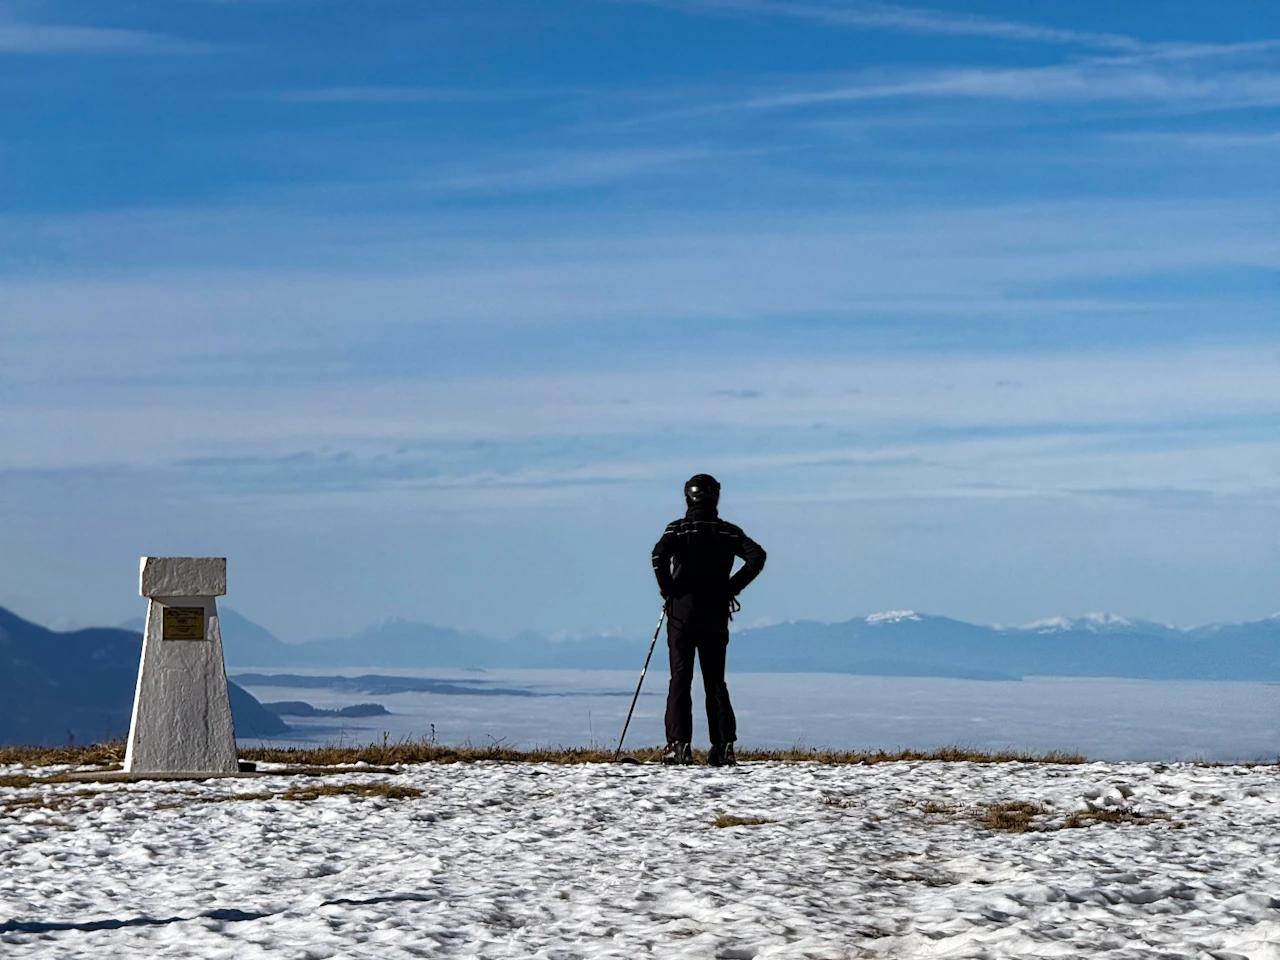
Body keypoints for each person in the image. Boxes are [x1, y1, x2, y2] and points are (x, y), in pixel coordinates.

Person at [650, 474, 766, 766]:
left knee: (680, 678)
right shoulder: (727, 531)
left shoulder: (677, 529)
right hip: (714, 612)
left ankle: (678, 747)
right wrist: (731, 587)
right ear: (716, 497)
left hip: (681, 613)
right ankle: (723, 747)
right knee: (715, 680)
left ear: (687, 497)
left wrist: (669, 589)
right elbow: (757, 557)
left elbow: (658, 556)